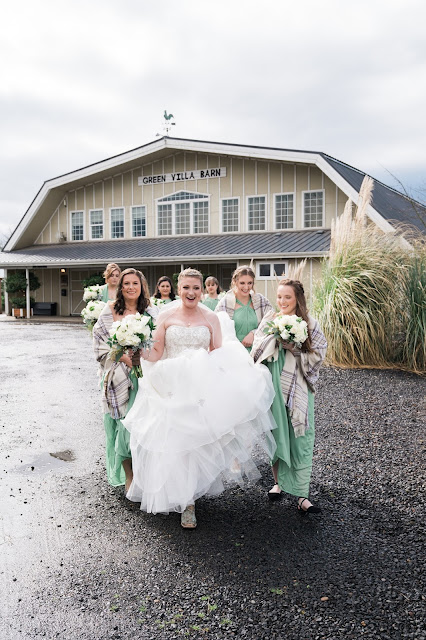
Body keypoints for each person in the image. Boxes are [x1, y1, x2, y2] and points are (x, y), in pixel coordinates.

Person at [123, 268, 276, 529]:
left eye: (196, 288)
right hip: (172, 386)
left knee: (195, 445)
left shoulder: (211, 318)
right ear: (179, 289)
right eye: (186, 288)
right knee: (176, 443)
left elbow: (217, 353)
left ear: (202, 290)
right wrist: (138, 351)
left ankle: (189, 501)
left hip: (199, 390)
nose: (191, 292)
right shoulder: (166, 316)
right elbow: (157, 352)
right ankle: (182, 497)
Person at [251, 279, 327, 514]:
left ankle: (303, 495)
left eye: (288, 297)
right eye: (279, 297)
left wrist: (295, 349)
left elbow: (319, 353)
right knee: (278, 433)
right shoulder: (270, 319)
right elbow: (256, 349)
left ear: (297, 299)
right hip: (274, 380)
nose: (282, 301)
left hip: (299, 384)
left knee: (301, 437)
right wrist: (275, 340)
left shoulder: (310, 323)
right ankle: (278, 483)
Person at [93, 268, 158, 493]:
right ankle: (129, 475)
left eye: (135, 283)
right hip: (119, 374)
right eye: (126, 283)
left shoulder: (150, 311)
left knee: (143, 425)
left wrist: (142, 357)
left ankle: (144, 473)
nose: (131, 287)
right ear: (121, 287)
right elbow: (100, 343)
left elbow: (159, 341)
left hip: (145, 374)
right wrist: (124, 358)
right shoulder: (110, 309)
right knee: (123, 426)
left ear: (142, 287)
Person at [216, 265, 273, 351]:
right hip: (233, 351)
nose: (246, 287)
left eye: (249, 283)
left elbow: (272, 320)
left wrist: (254, 333)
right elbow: (216, 326)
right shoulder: (226, 302)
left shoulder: (261, 301)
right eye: (242, 283)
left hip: (257, 351)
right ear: (235, 282)